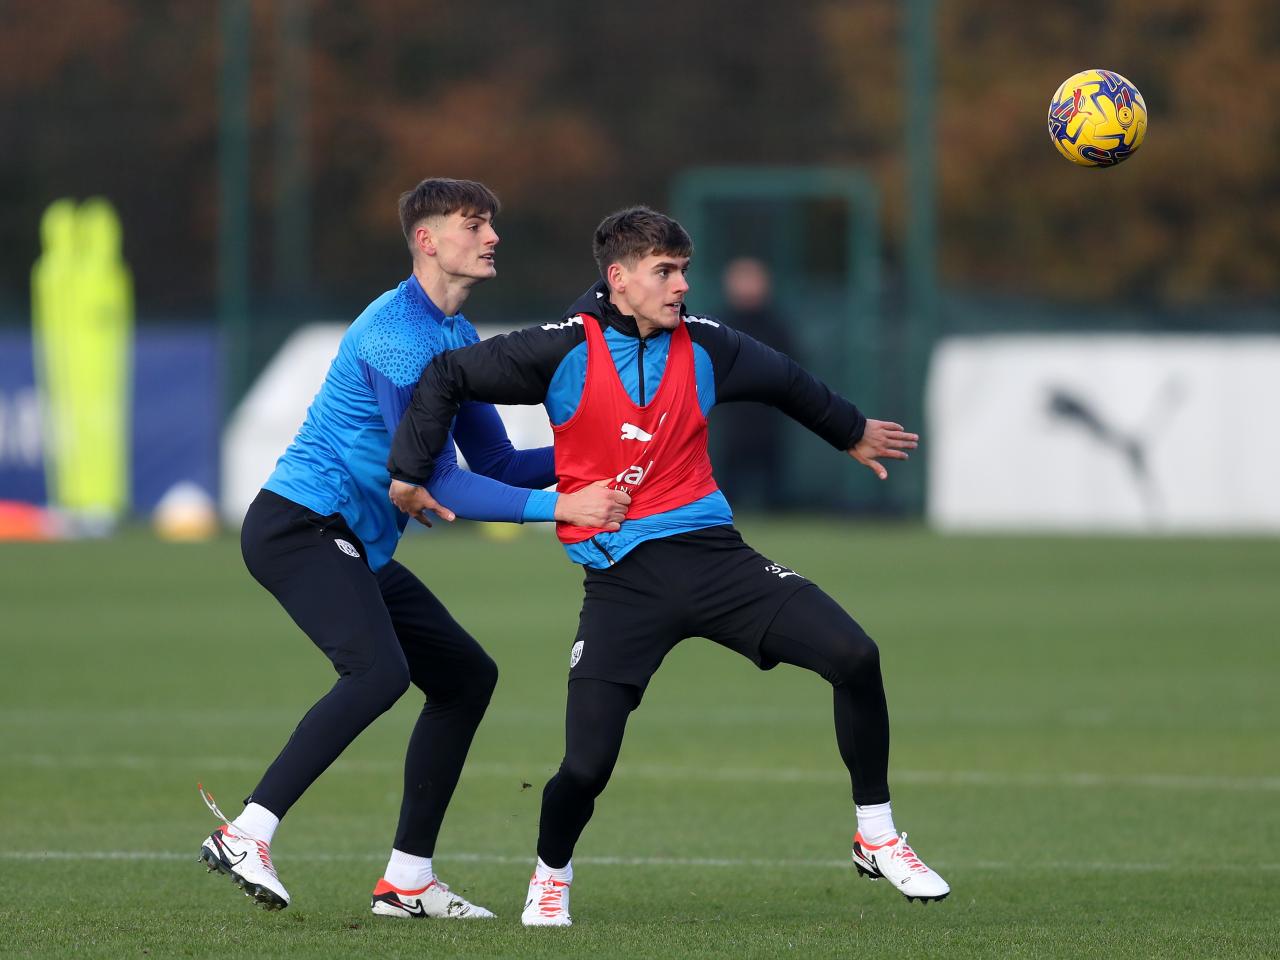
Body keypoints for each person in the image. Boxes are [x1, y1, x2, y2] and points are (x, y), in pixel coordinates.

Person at [387, 206, 950, 927]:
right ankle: (551, 875)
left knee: (855, 655)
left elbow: (787, 382)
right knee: (585, 767)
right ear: (619, 279)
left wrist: (852, 431)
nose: (681, 284)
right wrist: (410, 472)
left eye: (684, 270)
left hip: (717, 562)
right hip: (622, 584)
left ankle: (877, 834)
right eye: (664, 271)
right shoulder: (561, 348)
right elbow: (445, 374)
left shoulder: (710, 344)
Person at [196, 178, 628, 918]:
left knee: (465, 678)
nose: (492, 236)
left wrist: (600, 453)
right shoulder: (395, 337)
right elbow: (433, 478)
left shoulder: (457, 338)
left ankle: (407, 882)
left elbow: (494, 464)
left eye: (491, 223)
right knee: (377, 674)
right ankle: (247, 831)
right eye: (473, 224)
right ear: (427, 240)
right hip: (300, 526)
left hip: (351, 541)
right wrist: (565, 504)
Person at [712, 257, 795, 510]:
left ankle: (776, 508)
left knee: (772, 470)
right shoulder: (718, 325)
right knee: (729, 471)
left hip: (767, 411)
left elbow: (791, 365)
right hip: (732, 414)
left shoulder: (776, 326)